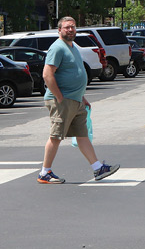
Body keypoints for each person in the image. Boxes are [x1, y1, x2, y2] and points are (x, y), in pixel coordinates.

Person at [37, 16, 120, 184]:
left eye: (73, 27)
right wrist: (59, 97)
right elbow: (47, 74)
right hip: (62, 101)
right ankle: (45, 172)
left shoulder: (72, 47)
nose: (70, 30)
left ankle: (98, 168)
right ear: (59, 30)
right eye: (67, 27)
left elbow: (73, 74)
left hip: (75, 100)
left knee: (82, 136)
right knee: (56, 136)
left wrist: (82, 97)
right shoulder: (57, 48)